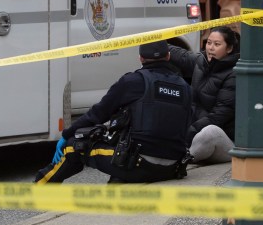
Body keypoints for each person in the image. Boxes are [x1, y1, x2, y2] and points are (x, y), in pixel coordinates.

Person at [34, 40, 192, 184]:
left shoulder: (132, 82)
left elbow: (97, 114)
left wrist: (66, 134)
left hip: (140, 164)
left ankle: (39, 186)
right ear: (169, 56)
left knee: (73, 146)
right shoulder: (185, 87)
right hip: (173, 167)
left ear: (141, 58)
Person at [168, 27, 239, 165]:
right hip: (195, 133)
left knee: (210, 133)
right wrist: (155, 46)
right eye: (209, 43)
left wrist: (189, 132)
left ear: (229, 49)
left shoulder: (234, 74)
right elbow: (182, 55)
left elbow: (218, 117)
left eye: (217, 44)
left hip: (225, 141)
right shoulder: (202, 61)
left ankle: (178, 163)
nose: (211, 48)